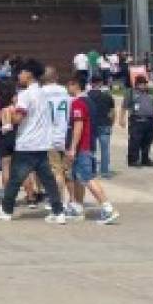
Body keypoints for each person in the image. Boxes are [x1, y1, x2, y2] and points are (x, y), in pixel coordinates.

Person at [0, 60, 67, 223]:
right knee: (48, 180)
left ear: (29, 74)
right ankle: (58, 212)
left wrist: (8, 112)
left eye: (21, 72)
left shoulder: (26, 95)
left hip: (27, 143)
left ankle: (6, 210)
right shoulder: (42, 93)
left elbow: (18, 118)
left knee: (15, 179)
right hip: (41, 142)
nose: (19, 76)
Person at [64, 76, 118, 224]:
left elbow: (78, 126)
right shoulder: (89, 102)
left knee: (87, 177)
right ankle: (77, 207)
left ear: (74, 85)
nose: (66, 89)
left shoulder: (78, 103)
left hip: (82, 146)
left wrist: (73, 148)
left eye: (68, 85)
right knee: (77, 177)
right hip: (89, 144)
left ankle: (107, 208)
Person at [39, 67, 72, 210]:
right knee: (68, 172)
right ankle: (73, 201)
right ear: (56, 77)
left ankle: (57, 201)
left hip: (49, 136)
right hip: (66, 134)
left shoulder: (41, 93)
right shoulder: (66, 92)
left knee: (55, 171)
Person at [121, 75, 153, 167]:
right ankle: (133, 160)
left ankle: (145, 158)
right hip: (137, 121)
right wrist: (121, 119)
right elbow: (124, 107)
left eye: (145, 84)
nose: (143, 86)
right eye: (141, 84)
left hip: (150, 121)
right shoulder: (131, 93)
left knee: (148, 141)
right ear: (137, 84)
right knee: (135, 141)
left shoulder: (150, 93)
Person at [0, 78, 18, 195]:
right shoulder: (15, 101)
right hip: (16, 135)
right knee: (22, 169)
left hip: (1, 137)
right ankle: (31, 196)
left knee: (5, 168)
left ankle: (8, 196)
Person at [85, 74, 116, 178]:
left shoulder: (87, 96)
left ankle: (92, 170)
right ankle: (104, 171)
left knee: (91, 149)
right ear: (101, 83)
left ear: (91, 83)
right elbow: (112, 112)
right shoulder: (107, 96)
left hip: (91, 125)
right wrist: (111, 124)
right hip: (105, 124)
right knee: (105, 149)